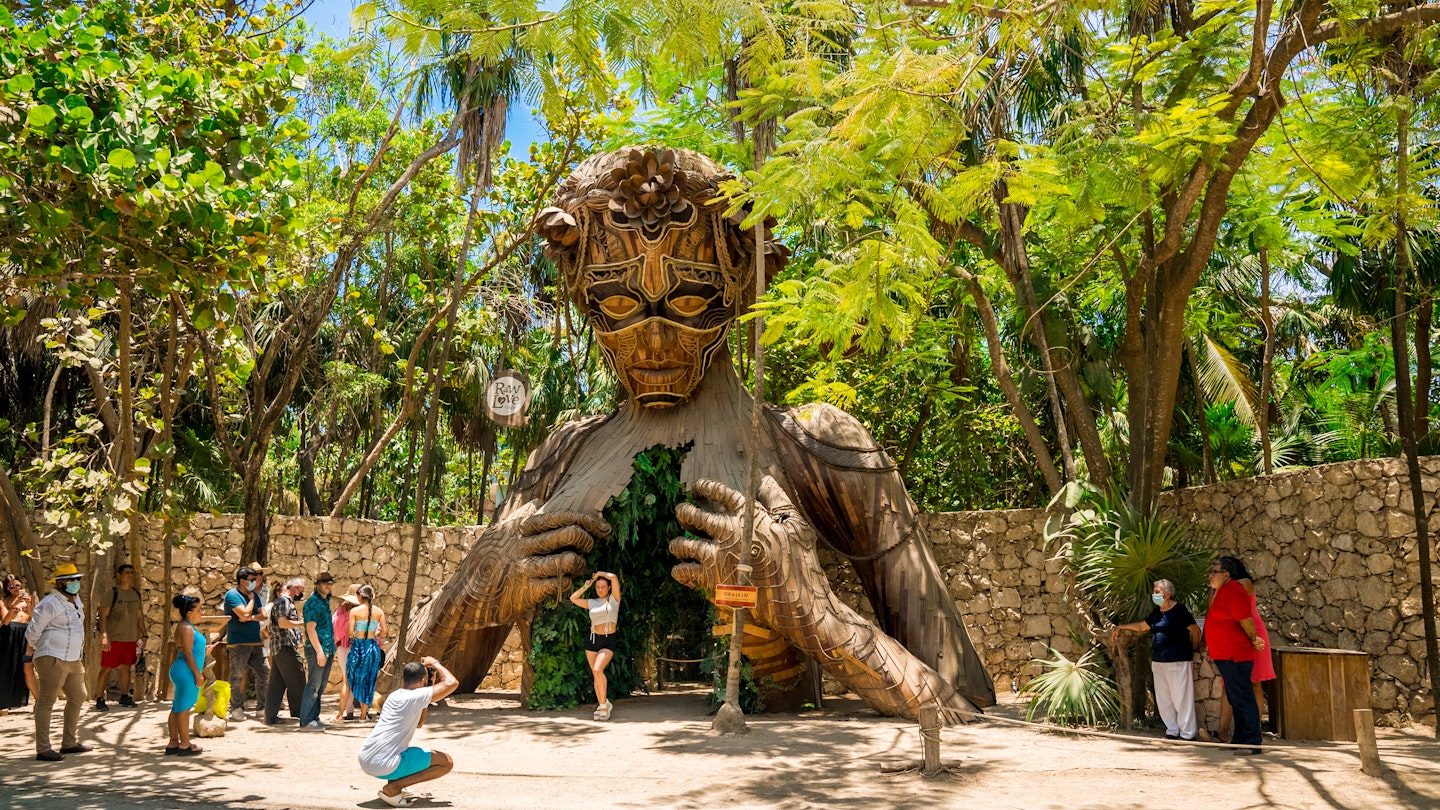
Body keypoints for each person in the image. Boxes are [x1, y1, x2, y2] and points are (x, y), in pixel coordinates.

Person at [357, 656, 457, 808]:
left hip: (366, 759)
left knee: (404, 751)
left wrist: (427, 687)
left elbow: (419, 723)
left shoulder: (396, 695)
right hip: (384, 764)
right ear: (422, 679)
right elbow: (452, 683)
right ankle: (393, 788)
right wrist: (435, 663)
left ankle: (396, 785)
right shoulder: (415, 696)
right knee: (446, 762)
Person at [1113, 579, 1201, 740]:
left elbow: (1195, 630)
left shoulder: (1179, 610)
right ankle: (1172, 730)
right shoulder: (1157, 612)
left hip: (1178, 659)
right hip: (1159, 660)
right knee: (1164, 697)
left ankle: (1187, 733)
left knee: (1181, 697)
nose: (1154, 595)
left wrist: (1193, 648)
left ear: (1168, 594)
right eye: (1154, 592)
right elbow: (1142, 626)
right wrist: (1121, 627)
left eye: (1158, 592)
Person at [26, 562, 93, 761]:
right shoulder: (49, 603)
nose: (75, 583)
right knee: (47, 700)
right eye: (70, 580)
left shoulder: (76, 600)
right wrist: (41, 651)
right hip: (53, 656)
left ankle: (69, 743)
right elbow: (33, 632)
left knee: (79, 695)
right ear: (60, 583)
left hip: (73, 657)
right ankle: (43, 748)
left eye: (77, 579)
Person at [1204, 556, 1267, 756]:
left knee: (1243, 695)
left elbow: (1245, 620)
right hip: (1225, 653)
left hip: (1235, 653)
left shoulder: (1234, 589)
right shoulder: (1222, 591)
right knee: (1235, 696)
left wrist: (1253, 639)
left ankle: (1252, 741)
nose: (1210, 575)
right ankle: (1240, 738)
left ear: (1226, 574)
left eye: (1214, 572)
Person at [1218, 560, 1276, 743]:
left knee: (1255, 683)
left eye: (1218, 571)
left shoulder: (1245, 582)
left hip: (1253, 634)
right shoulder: (1215, 589)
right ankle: (1222, 732)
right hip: (1231, 637)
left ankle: (1253, 731)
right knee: (1228, 684)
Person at [95, 563, 147, 711]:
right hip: (114, 639)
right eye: (126, 573)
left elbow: (139, 616)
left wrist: (144, 634)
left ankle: (124, 696)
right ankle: (99, 698)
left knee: (126, 667)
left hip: (130, 638)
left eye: (132, 573)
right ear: (119, 575)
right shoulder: (111, 593)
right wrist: (104, 636)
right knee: (106, 668)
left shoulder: (136, 594)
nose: (129, 576)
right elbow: (103, 616)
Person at [569, 571, 620, 721]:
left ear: (609, 588)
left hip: (608, 640)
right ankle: (603, 704)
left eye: (603, 587)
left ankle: (603, 706)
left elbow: (614, 577)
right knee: (596, 673)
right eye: (597, 587)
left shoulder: (614, 601)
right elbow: (573, 598)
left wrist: (599, 574)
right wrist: (586, 586)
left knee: (598, 669)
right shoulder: (592, 602)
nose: (600, 590)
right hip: (592, 640)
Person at [222, 566, 269, 721]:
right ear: (242, 581)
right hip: (238, 642)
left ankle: (262, 707)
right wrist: (251, 601)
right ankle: (236, 707)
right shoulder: (232, 595)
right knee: (237, 675)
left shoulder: (254, 594)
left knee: (264, 672)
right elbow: (244, 613)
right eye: (252, 580)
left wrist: (250, 618)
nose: (255, 582)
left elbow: (263, 615)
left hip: (255, 641)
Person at [265, 577, 308, 726]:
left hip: (279, 646)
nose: (302, 592)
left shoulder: (285, 602)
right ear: (295, 588)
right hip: (284, 646)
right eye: (301, 589)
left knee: (277, 683)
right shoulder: (284, 601)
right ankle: (301, 712)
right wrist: (304, 623)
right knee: (298, 676)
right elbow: (283, 623)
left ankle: (270, 716)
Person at [166, 594, 206, 755]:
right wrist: (198, 673)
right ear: (189, 613)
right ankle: (185, 744)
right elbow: (188, 653)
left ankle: (173, 742)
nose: (201, 613)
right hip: (187, 671)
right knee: (184, 707)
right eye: (199, 610)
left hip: (181, 669)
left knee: (178, 706)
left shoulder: (185, 626)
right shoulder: (187, 628)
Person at [299, 571, 337, 730]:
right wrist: (320, 651)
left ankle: (314, 717)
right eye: (324, 583)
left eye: (330, 583)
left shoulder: (324, 601)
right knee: (313, 686)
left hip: (327, 648)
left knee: (320, 686)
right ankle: (306, 721)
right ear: (317, 585)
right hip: (317, 649)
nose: (328, 586)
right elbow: (311, 629)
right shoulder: (313, 603)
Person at [345, 585, 386, 721]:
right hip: (372, 648)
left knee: (353, 677)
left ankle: (356, 710)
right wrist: (374, 634)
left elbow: (350, 632)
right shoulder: (379, 611)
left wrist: (358, 633)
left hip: (359, 647)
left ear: (360, 596)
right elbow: (385, 631)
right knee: (370, 681)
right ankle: (363, 715)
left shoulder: (355, 611)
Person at [1, 573, 39, 712]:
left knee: (28, 667)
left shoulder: (30, 598)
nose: (15, 588)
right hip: (10, 633)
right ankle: (3, 703)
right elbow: (5, 621)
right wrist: (14, 605)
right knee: (6, 667)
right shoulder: (4, 602)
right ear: (7, 588)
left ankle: (38, 701)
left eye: (17, 585)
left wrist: (28, 603)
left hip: (26, 633)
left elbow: (34, 616)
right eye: (11, 587)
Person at [332, 585, 357, 723]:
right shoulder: (342, 610)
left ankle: (357, 711)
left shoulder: (364, 611)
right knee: (348, 679)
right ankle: (349, 710)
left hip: (358, 647)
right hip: (344, 647)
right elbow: (335, 624)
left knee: (358, 679)